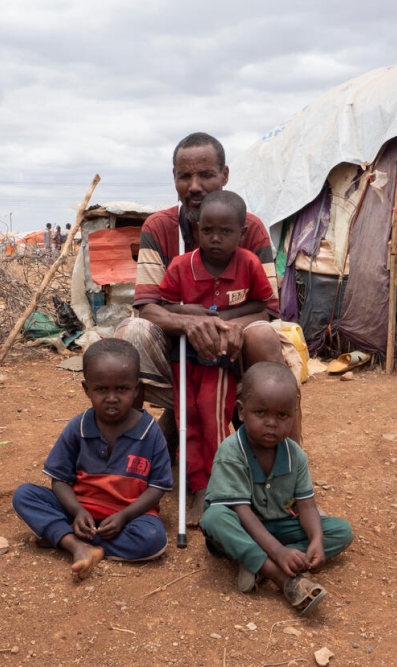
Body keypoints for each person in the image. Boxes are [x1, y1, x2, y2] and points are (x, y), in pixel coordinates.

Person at [115, 132, 302, 442]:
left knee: (261, 334)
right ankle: (129, 451)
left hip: (236, 351)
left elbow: (267, 309)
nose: (195, 186)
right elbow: (148, 308)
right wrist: (192, 324)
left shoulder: (249, 229)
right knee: (130, 332)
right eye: (184, 176)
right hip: (180, 353)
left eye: (205, 174)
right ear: (174, 179)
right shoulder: (159, 227)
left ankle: (286, 461)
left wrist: (216, 325)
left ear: (224, 175)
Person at [158, 190, 276, 525]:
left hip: (220, 361)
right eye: (207, 230)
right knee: (187, 419)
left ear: (241, 234)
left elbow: (261, 306)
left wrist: (223, 317)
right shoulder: (182, 266)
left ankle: (219, 484)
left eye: (226, 232)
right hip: (184, 358)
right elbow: (165, 306)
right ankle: (198, 485)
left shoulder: (248, 264)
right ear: (197, 230)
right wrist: (193, 312)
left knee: (213, 418)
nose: (215, 238)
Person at [12, 339, 173, 580]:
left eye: (122, 389)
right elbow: (60, 480)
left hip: (128, 516)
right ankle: (78, 545)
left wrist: (124, 516)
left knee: (153, 540)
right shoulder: (78, 427)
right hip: (80, 512)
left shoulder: (150, 432)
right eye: (101, 389)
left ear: (137, 389)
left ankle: (64, 538)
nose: (111, 398)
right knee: (25, 495)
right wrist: (76, 511)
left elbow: (157, 487)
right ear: (87, 389)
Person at [200, 362, 353, 616]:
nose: (271, 423)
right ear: (241, 411)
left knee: (341, 531)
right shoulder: (231, 452)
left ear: (293, 415)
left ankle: (255, 561)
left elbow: (306, 505)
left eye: (282, 416)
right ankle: (279, 576)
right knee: (214, 518)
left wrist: (316, 541)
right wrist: (279, 552)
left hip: (278, 525)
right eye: (261, 413)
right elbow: (242, 512)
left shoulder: (295, 455)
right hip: (239, 526)